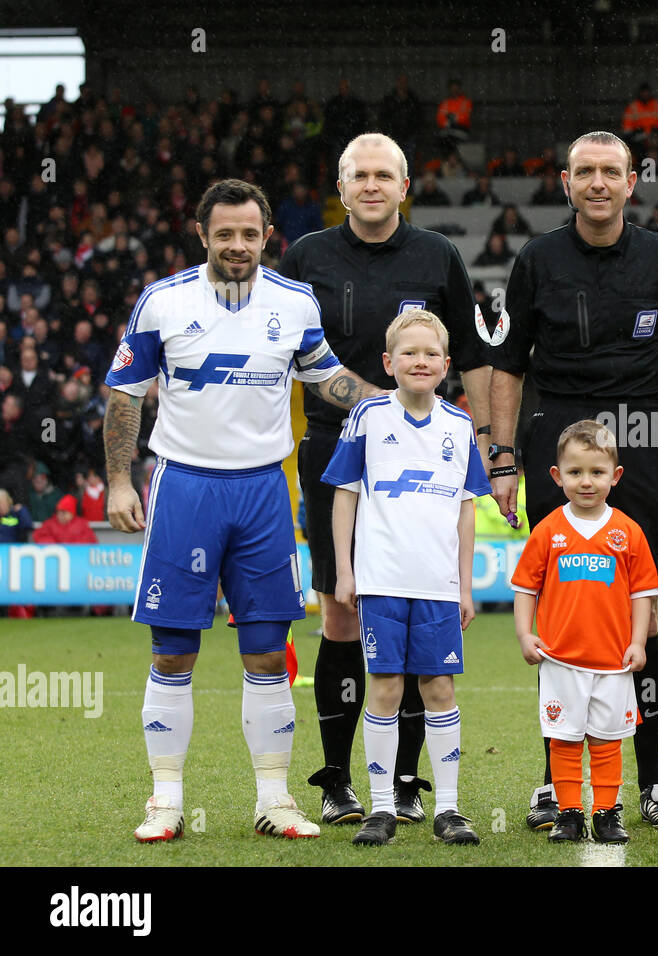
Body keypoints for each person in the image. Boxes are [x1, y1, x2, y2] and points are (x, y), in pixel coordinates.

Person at [105, 178, 384, 843]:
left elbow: (328, 377)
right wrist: (119, 481)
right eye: (223, 233)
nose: (237, 245)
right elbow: (124, 395)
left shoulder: (294, 303)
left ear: (267, 237)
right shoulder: (163, 302)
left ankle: (274, 798)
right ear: (202, 234)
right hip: (185, 488)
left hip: (263, 491)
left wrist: (393, 405)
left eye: (248, 233)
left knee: (266, 650)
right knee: (173, 651)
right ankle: (165, 800)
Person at [489, 130, 658, 830]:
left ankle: (652, 782)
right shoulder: (535, 259)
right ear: (565, 181)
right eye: (584, 171)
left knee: (636, 613)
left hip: (643, 442)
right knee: (562, 616)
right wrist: (502, 458)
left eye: (609, 172)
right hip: (554, 437)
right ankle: (556, 785)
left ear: (629, 182)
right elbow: (507, 369)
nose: (597, 182)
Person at [278, 133, 489, 827]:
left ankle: (403, 781)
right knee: (342, 611)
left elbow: (476, 358)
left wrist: (493, 444)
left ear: (405, 187)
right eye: (357, 175)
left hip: (423, 459)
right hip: (334, 450)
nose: (371, 185)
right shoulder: (306, 257)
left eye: (384, 175)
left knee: (419, 617)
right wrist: (372, 403)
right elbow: (283, 352)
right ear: (341, 189)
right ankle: (339, 779)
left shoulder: (439, 257)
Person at [324, 310, 490, 847]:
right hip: (382, 581)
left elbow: (466, 510)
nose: (420, 361)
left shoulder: (459, 424)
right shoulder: (369, 416)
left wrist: (464, 586)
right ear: (388, 362)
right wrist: (346, 571)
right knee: (386, 688)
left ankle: (447, 808)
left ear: (446, 364)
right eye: (409, 352)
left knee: (439, 688)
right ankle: (380, 809)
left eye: (430, 353)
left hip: (439, 586)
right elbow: (344, 493)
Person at [510, 420, 657, 844]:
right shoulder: (548, 531)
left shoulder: (627, 531)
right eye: (575, 473)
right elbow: (526, 589)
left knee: (608, 741)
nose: (586, 482)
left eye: (596, 472)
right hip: (559, 659)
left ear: (616, 475)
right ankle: (569, 812)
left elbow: (642, 595)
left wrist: (636, 641)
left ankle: (607, 812)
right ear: (557, 476)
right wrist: (525, 634)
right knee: (564, 739)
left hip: (613, 661)